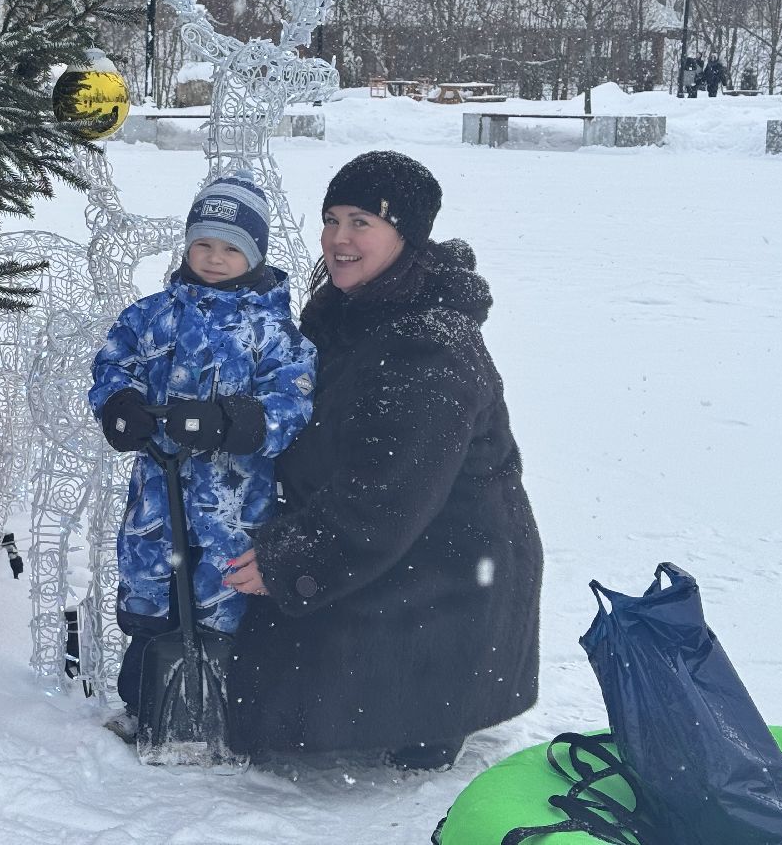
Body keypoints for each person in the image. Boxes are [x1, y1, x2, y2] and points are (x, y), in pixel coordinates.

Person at [224, 150, 543, 770]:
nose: (338, 239)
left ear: (406, 236)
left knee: (274, 695)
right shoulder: (349, 313)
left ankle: (431, 712)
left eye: (362, 223)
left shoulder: (429, 347)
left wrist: (294, 560)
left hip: (446, 573)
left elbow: (387, 494)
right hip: (398, 543)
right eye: (332, 219)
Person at [89, 169, 317, 730]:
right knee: (150, 604)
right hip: (156, 500)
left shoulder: (273, 333)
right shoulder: (151, 316)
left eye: (231, 248)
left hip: (233, 511)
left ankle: (221, 718)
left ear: (255, 255)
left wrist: (236, 421)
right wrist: (120, 405)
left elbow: (293, 403)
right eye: (204, 244)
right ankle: (145, 707)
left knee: (223, 609)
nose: (215, 258)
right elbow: (113, 364)